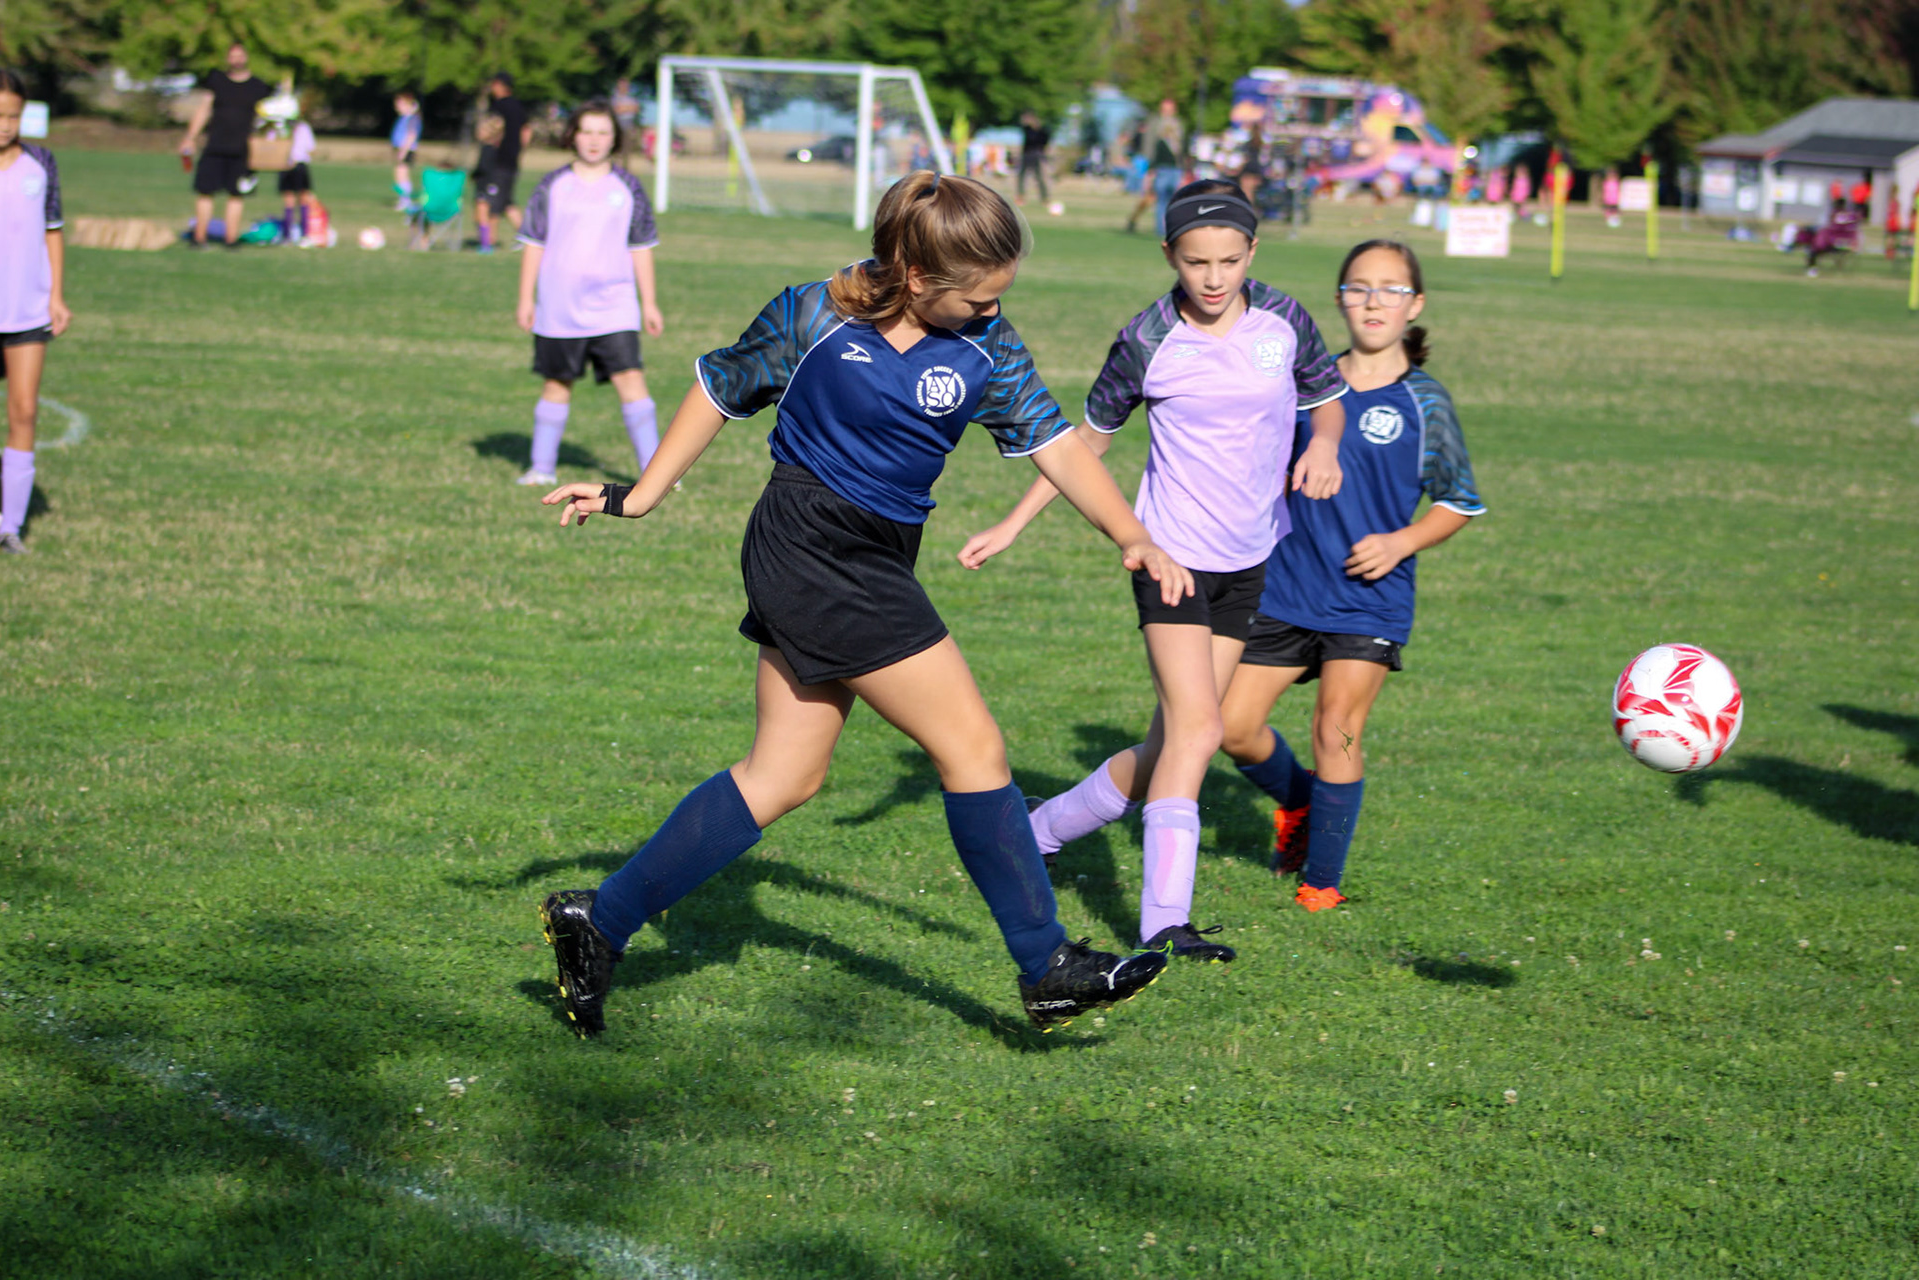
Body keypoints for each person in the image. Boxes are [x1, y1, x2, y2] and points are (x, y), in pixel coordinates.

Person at [533, 172, 1187, 1038]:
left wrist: (1131, 534)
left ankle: (599, 921)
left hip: (876, 553)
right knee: (973, 748)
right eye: (977, 297)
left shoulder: (988, 345)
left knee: (784, 775)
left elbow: (1056, 443)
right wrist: (642, 495)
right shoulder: (816, 313)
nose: (993, 309)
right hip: (810, 543)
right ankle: (1046, 966)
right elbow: (721, 385)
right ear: (915, 276)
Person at [960, 181, 1348, 961]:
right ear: (1169, 254)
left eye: (1229, 261)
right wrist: (1013, 521)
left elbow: (1326, 397)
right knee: (1200, 729)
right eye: (1197, 262)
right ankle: (1165, 922)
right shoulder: (1146, 339)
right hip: (1168, 556)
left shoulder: (1285, 320)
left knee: (1173, 741)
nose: (1214, 277)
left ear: (1252, 252)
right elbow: (1084, 443)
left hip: (1248, 558)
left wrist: (1327, 445)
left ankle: (1038, 831)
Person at [1220, 240, 1484, 911]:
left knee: (1336, 726)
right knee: (1230, 726)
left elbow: (1458, 500)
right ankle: (1303, 802)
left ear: (1415, 305)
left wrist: (1402, 542)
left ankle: (1321, 884)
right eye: (1359, 287)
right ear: (1339, 299)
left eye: (1391, 289)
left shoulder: (1425, 403)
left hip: (1368, 599)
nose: (1373, 301)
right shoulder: (1304, 384)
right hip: (1287, 585)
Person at [514, 101, 664, 486]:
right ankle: (541, 469)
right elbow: (533, 242)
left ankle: (657, 474)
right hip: (559, 305)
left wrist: (649, 303)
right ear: (573, 136)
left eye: (603, 132)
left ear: (614, 138)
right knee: (556, 383)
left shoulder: (628, 187)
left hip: (614, 305)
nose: (594, 140)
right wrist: (526, 298)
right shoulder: (552, 185)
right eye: (586, 131)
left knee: (631, 380)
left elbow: (641, 247)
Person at [0, 72, 70, 555]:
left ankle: (11, 528)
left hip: (26, 312)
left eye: (14, 115)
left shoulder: (41, 163)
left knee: (24, 410)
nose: (6, 124)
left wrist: (56, 296)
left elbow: (53, 230)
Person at [179, 42, 273, 249]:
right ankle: (199, 238)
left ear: (246, 57)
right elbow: (204, 110)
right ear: (227, 58)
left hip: (242, 150)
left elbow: (266, 119)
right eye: (233, 56)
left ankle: (231, 240)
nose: (236, 59)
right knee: (205, 192)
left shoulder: (258, 87)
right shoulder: (217, 81)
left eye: (240, 55)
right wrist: (190, 137)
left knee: (237, 194)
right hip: (215, 146)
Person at [475, 72, 530, 254]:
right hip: (511, 161)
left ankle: (488, 243)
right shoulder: (518, 106)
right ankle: (528, 237)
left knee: (492, 204)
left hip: (498, 162)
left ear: (500, 85)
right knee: (506, 202)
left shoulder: (498, 107)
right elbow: (526, 131)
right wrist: (518, 150)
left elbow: (491, 129)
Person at [1125, 99, 1185, 236]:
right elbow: (1149, 145)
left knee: (1170, 200)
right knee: (1155, 198)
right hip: (1159, 167)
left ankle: (1168, 227)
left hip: (1174, 168)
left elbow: (1181, 148)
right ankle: (1158, 229)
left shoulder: (1178, 125)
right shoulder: (1155, 124)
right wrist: (1150, 166)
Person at [278, 115, 317, 243]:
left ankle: (288, 235)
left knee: (290, 200)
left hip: (285, 164)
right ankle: (303, 234)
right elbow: (311, 148)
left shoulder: (280, 126)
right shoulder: (303, 127)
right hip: (298, 164)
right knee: (302, 199)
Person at [391, 91, 423, 209]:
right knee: (399, 175)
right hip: (401, 149)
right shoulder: (404, 117)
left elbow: (411, 136)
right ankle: (403, 200)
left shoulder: (412, 118)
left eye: (400, 104)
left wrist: (403, 151)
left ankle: (405, 201)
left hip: (406, 149)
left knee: (402, 175)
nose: (397, 107)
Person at [1016, 110, 1051, 207]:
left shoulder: (1042, 131)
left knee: (1040, 177)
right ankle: (1020, 197)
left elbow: (1044, 142)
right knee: (1022, 176)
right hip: (1027, 154)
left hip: (1037, 154)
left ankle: (1045, 198)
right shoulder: (1027, 130)